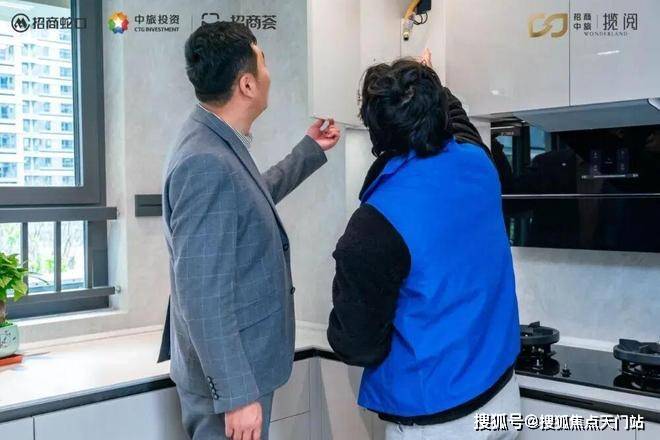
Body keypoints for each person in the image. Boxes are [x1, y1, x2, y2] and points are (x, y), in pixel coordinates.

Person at [158, 22, 340, 440]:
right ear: (246, 84)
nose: (268, 73)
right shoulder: (206, 161)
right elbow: (202, 293)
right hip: (228, 384)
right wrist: (237, 396)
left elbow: (251, 196)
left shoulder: (210, 139)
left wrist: (308, 151)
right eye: (263, 62)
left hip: (239, 367)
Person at [327, 50, 521, 439]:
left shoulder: (374, 226)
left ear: (376, 134)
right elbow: (459, 121)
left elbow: (356, 345)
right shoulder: (480, 163)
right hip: (503, 398)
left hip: (437, 420)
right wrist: (427, 82)